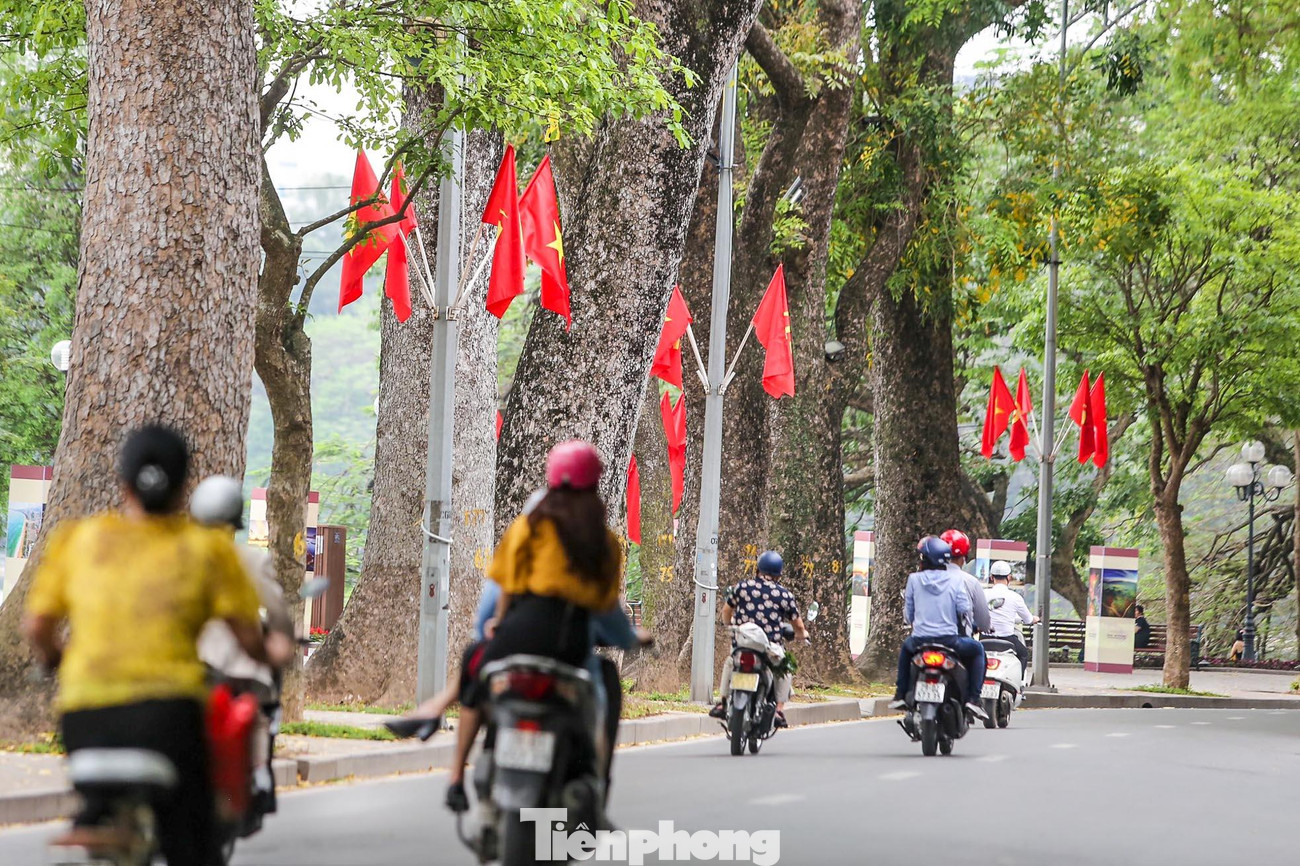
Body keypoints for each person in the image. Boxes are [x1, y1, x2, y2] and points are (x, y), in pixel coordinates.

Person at [23, 426, 265, 865]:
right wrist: (267, 654)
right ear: (182, 489)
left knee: (98, 806)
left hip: (84, 720)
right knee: (194, 841)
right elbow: (250, 639)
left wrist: (56, 658)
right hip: (169, 719)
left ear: (124, 481)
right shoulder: (207, 550)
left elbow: (37, 625)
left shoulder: (77, 540)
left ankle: (94, 818)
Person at [443, 440, 624, 813]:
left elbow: (504, 590)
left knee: (476, 677)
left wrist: (497, 625)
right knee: (604, 697)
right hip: (569, 646)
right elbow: (606, 609)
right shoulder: (605, 544)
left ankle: (456, 777)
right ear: (595, 483)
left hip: (516, 639)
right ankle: (597, 792)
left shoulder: (526, 529)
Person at [190, 475, 296, 817]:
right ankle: (261, 770)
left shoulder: (176, 559)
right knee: (264, 706)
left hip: (186, 666)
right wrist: (282, 639)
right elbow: (278, 612)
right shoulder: (250, 561)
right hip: (238, 666)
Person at [890, 536, 988, 720]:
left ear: (925, 560)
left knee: (905, 649)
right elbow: (964, 609)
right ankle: (974, 699)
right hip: (949, 641)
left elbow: (908, 613)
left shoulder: (914, 579)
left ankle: (900, 694)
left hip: (919, 641)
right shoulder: (955, 580)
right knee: (978, 650)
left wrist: (913, 621)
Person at [709, 551, 807, 728]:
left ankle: (723, 702)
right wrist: (802, 635)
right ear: (779, 574)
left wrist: (728, 624)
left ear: (757, 569)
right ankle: (778, 710)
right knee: (785, 670)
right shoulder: (784, 595)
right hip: (769, 649)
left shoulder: (742, 587)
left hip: (742, 644)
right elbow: (798, 625)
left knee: (730, 663)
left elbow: (726, 611)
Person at [984, 561, 1037, 676]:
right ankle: (1019, 684)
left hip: (985, 639)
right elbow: (1028, 619)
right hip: (1007, 640)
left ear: (991, 577)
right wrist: (1035, 619)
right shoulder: (1015, 597)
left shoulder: (983, 594)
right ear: (1009, 577)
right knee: (1023, 654)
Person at [941, 529, 990, 637]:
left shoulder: (924, 580)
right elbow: (983, 622)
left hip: (927, 642)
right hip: (959, 642)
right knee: (978, 651)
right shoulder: (971, 582)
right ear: (963, 559)